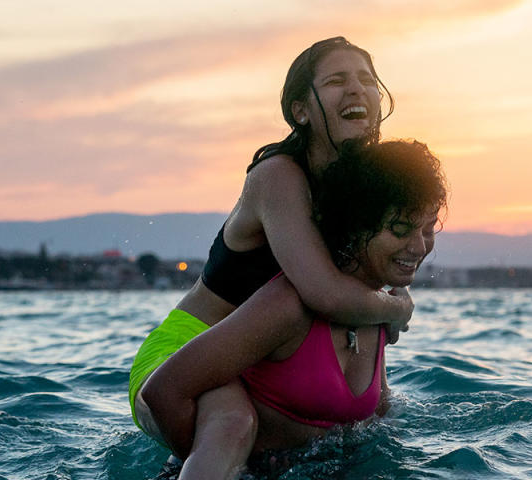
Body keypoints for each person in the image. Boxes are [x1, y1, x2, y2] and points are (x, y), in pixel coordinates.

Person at [128, 37, 411, 458]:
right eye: (336, 80)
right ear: (301, 110)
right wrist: (397, 307)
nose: (356, 89)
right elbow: (326, 293)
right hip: (186, 353)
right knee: (233, 423)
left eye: (367, 80)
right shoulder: (277, 177)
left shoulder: (360, 188)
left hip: (263, 363)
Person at [142, 140, 448, 478]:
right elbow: (164, 391)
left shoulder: (375, 309)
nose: (420, 246)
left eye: (428, 227)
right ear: (357, 225)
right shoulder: (288, 305)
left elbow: (377, 419)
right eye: (400, 229)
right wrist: (234, 467)